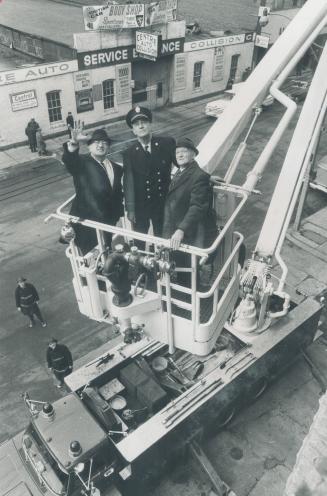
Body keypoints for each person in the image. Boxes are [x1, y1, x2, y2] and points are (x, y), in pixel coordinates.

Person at [61, 125, 124, 254]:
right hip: (87, 224)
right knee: (90, 260)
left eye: (104, 143)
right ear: (89, 146)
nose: (101, 145)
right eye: (96, 142)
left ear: (108, 147)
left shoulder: (117, 168)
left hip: (108, 222)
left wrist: (118, 214)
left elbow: (116, 194)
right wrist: (73, 143)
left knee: (106, 253)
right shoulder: (82, 163)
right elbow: (70, 160)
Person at [162, 138, 212, 286]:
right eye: (177, 152)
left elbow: (197, 207)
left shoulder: (199, 176)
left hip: (187, 232)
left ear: (193, 155)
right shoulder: (179, 172)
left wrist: (181, 230)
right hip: (173, 227)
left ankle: (188, 295)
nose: (180, 155)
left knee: (188, 269)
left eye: (184, 151)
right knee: (177, 264)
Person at [123, 106, 175, 240]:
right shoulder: (129, 153)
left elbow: (183, 164)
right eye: (136, 124)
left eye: (144, 122)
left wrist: (206, 177)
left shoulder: (167, 143)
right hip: (141, 205)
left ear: (150, 124)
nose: (141, 126)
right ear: (133, 130)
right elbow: (128, 182)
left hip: (162, 203)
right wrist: (131, 209)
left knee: (163, 238)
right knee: (140, 239)